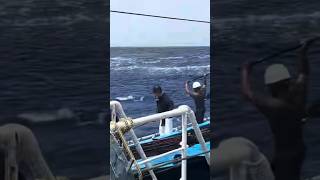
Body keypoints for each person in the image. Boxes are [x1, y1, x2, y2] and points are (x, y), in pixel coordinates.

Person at [241, 38, 317, 180]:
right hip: (299, 150)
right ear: (287, 80)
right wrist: (303, 51)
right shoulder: (299, 93)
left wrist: (245, 71)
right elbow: (304, 73)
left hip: (284, 155)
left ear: (271, 86)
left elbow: (247, 94)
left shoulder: (272, 105)